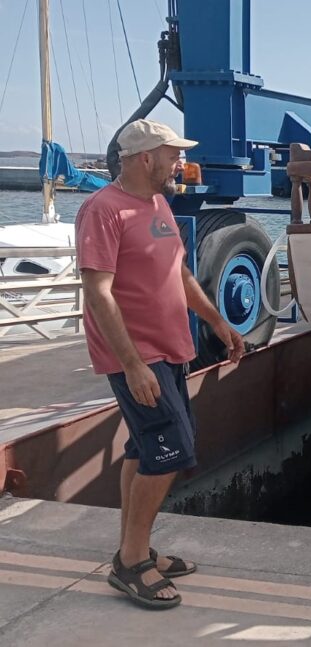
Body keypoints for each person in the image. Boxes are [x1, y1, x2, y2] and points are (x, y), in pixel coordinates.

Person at [76, 119, 244, 610]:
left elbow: (180, 272)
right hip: (136, 355)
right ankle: (130, 564)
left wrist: (216, 322)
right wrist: (131, 365)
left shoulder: (157, 203)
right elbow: (98, 293)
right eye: (172, 154)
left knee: (146, 447)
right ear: (145, 157)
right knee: (172, 450)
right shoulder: (102, 210)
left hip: (170, 350)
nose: (179, 163)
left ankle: (136, 549)